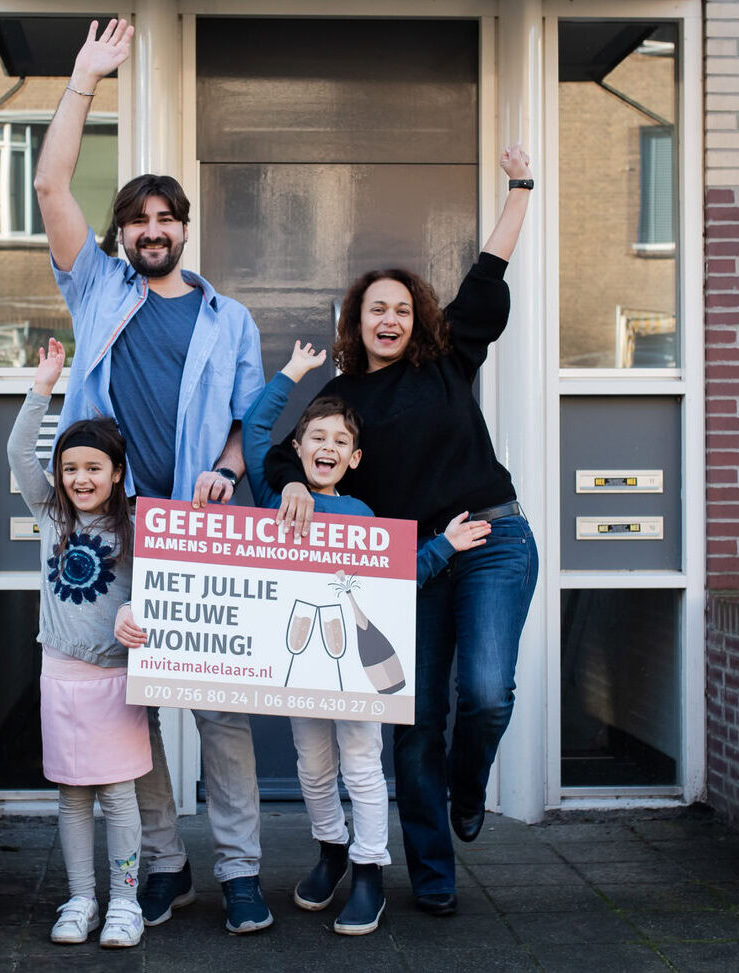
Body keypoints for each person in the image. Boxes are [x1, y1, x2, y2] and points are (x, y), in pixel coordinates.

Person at [35, 19, 270, 935]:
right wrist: (86, 79)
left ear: (183, 228)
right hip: (117, 531)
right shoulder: (94, 289)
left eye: (166, 218)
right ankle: (164, 863)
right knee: (134, 708)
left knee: (221, 710)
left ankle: (242, 870)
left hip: (201, 533)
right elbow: (52, 181)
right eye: (137, 220)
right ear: (121, 235)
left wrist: (224, 466)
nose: (152, 230)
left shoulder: (229, 318)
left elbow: (255, 421)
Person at [263, 146, 539, 918]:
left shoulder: (447, 360)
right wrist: (288, 482)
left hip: (491, 541)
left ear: (417, 319)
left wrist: (520, 186)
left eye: (402, 308)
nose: (389, 318)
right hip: (409, 565)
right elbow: (288, 451)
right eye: (375, 308)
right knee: (413, 726)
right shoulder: (342, 399)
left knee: (484, 694)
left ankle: (470, 785)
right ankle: (433, 875)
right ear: (356, 321)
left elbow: (489, 271)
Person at [238, 340, 491, 935]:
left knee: (362, 766)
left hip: (353, 659)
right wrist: (293, 373)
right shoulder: (276, 500)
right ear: (297, 450)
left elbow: (398, 577)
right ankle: (330, 848)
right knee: (312, 765)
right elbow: (253, 427)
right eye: (316, 438)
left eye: (339, 442)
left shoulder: (361, 514)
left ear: (354, 459)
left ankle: (369, 869)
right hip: (299, 653)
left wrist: (443, 546)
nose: (326, 448)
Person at [7, 337, 150, 949]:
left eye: (93, 467)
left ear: (116, 472)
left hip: (115, 678)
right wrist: (43, 389)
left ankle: (125, 904)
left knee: (118, 796)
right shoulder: (52, 514)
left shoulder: (136, 525)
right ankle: (82, 899)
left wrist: (139, 615)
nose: (80, 478)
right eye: (70, 469)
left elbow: (162, 592)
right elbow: (18, 452)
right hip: (60, 675)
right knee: (71, 797)